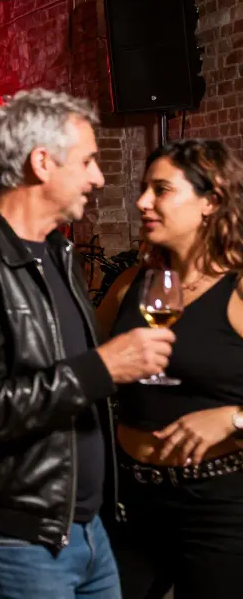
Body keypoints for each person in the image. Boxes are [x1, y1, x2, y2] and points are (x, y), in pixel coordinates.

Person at [0, 89, 175, 599]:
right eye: (87, 161)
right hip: (17, 537)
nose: (98, 178)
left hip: (87, 528)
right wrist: (101, 368)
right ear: (41, 163)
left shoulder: (57, 251)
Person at [94, 139, 243, 598]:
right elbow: (86, 368)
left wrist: (234, 418)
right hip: (127, 502)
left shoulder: (238, 288)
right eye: (144, 189)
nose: (143, 202)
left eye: (161, 190)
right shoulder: (131, 285)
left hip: (217, 508)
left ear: (211, 201)